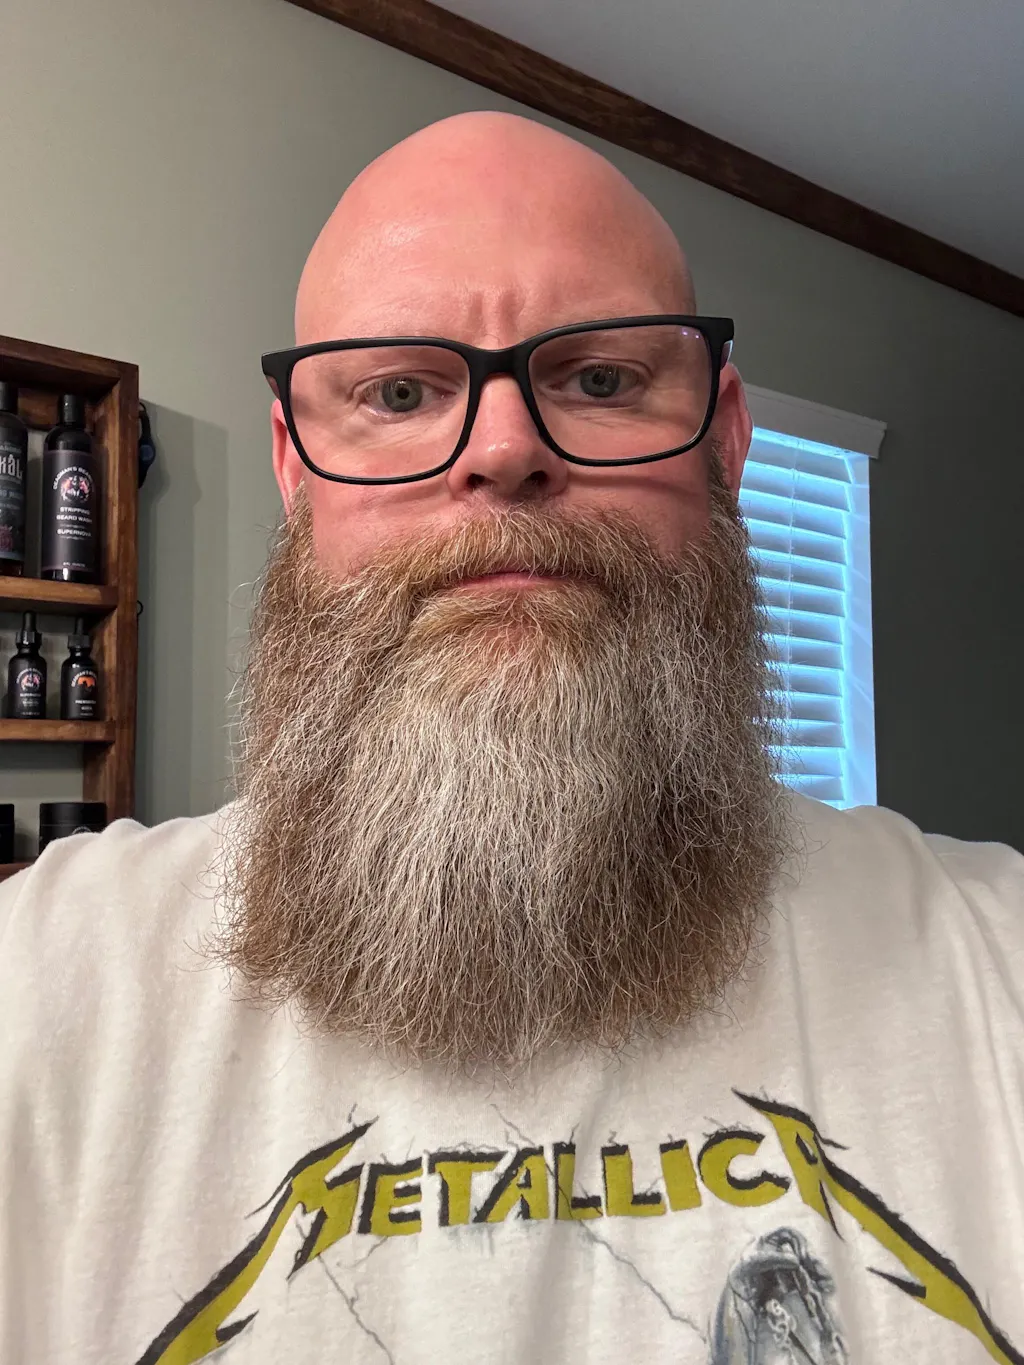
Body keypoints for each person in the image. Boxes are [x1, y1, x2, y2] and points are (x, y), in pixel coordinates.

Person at [0, 112, 1021, 1365]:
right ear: (293, 466)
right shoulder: (40, 990)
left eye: (599, 381)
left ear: (727, 438)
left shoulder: (995, 972)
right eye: (397, 393)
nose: (502, 452)